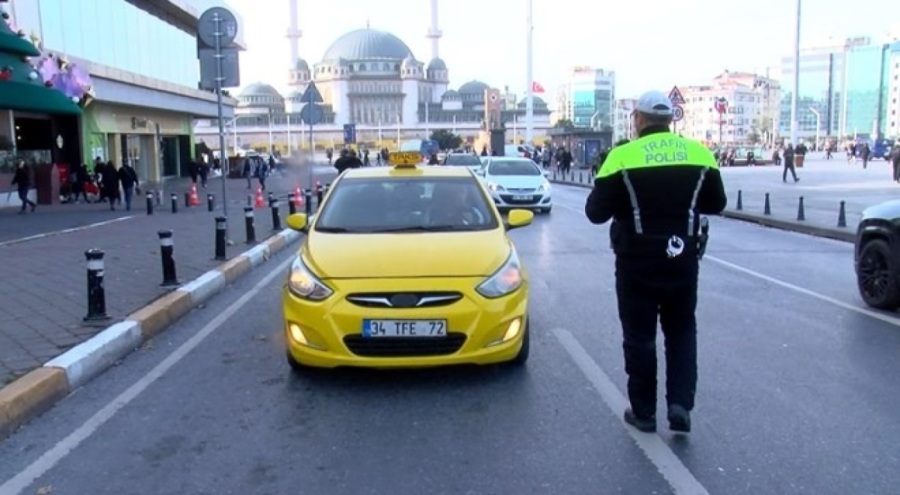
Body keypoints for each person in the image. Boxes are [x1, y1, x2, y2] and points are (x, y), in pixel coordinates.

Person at [584, 90, 727, 434]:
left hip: (636, 263)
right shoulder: (700, 153)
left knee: (640, 336)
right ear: (669, 119)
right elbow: (716, 203)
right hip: (682, 259)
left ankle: (644, 412)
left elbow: (594, 213)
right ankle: (680, 405)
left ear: (639, 119)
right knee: (681, 330)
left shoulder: (621, 157)